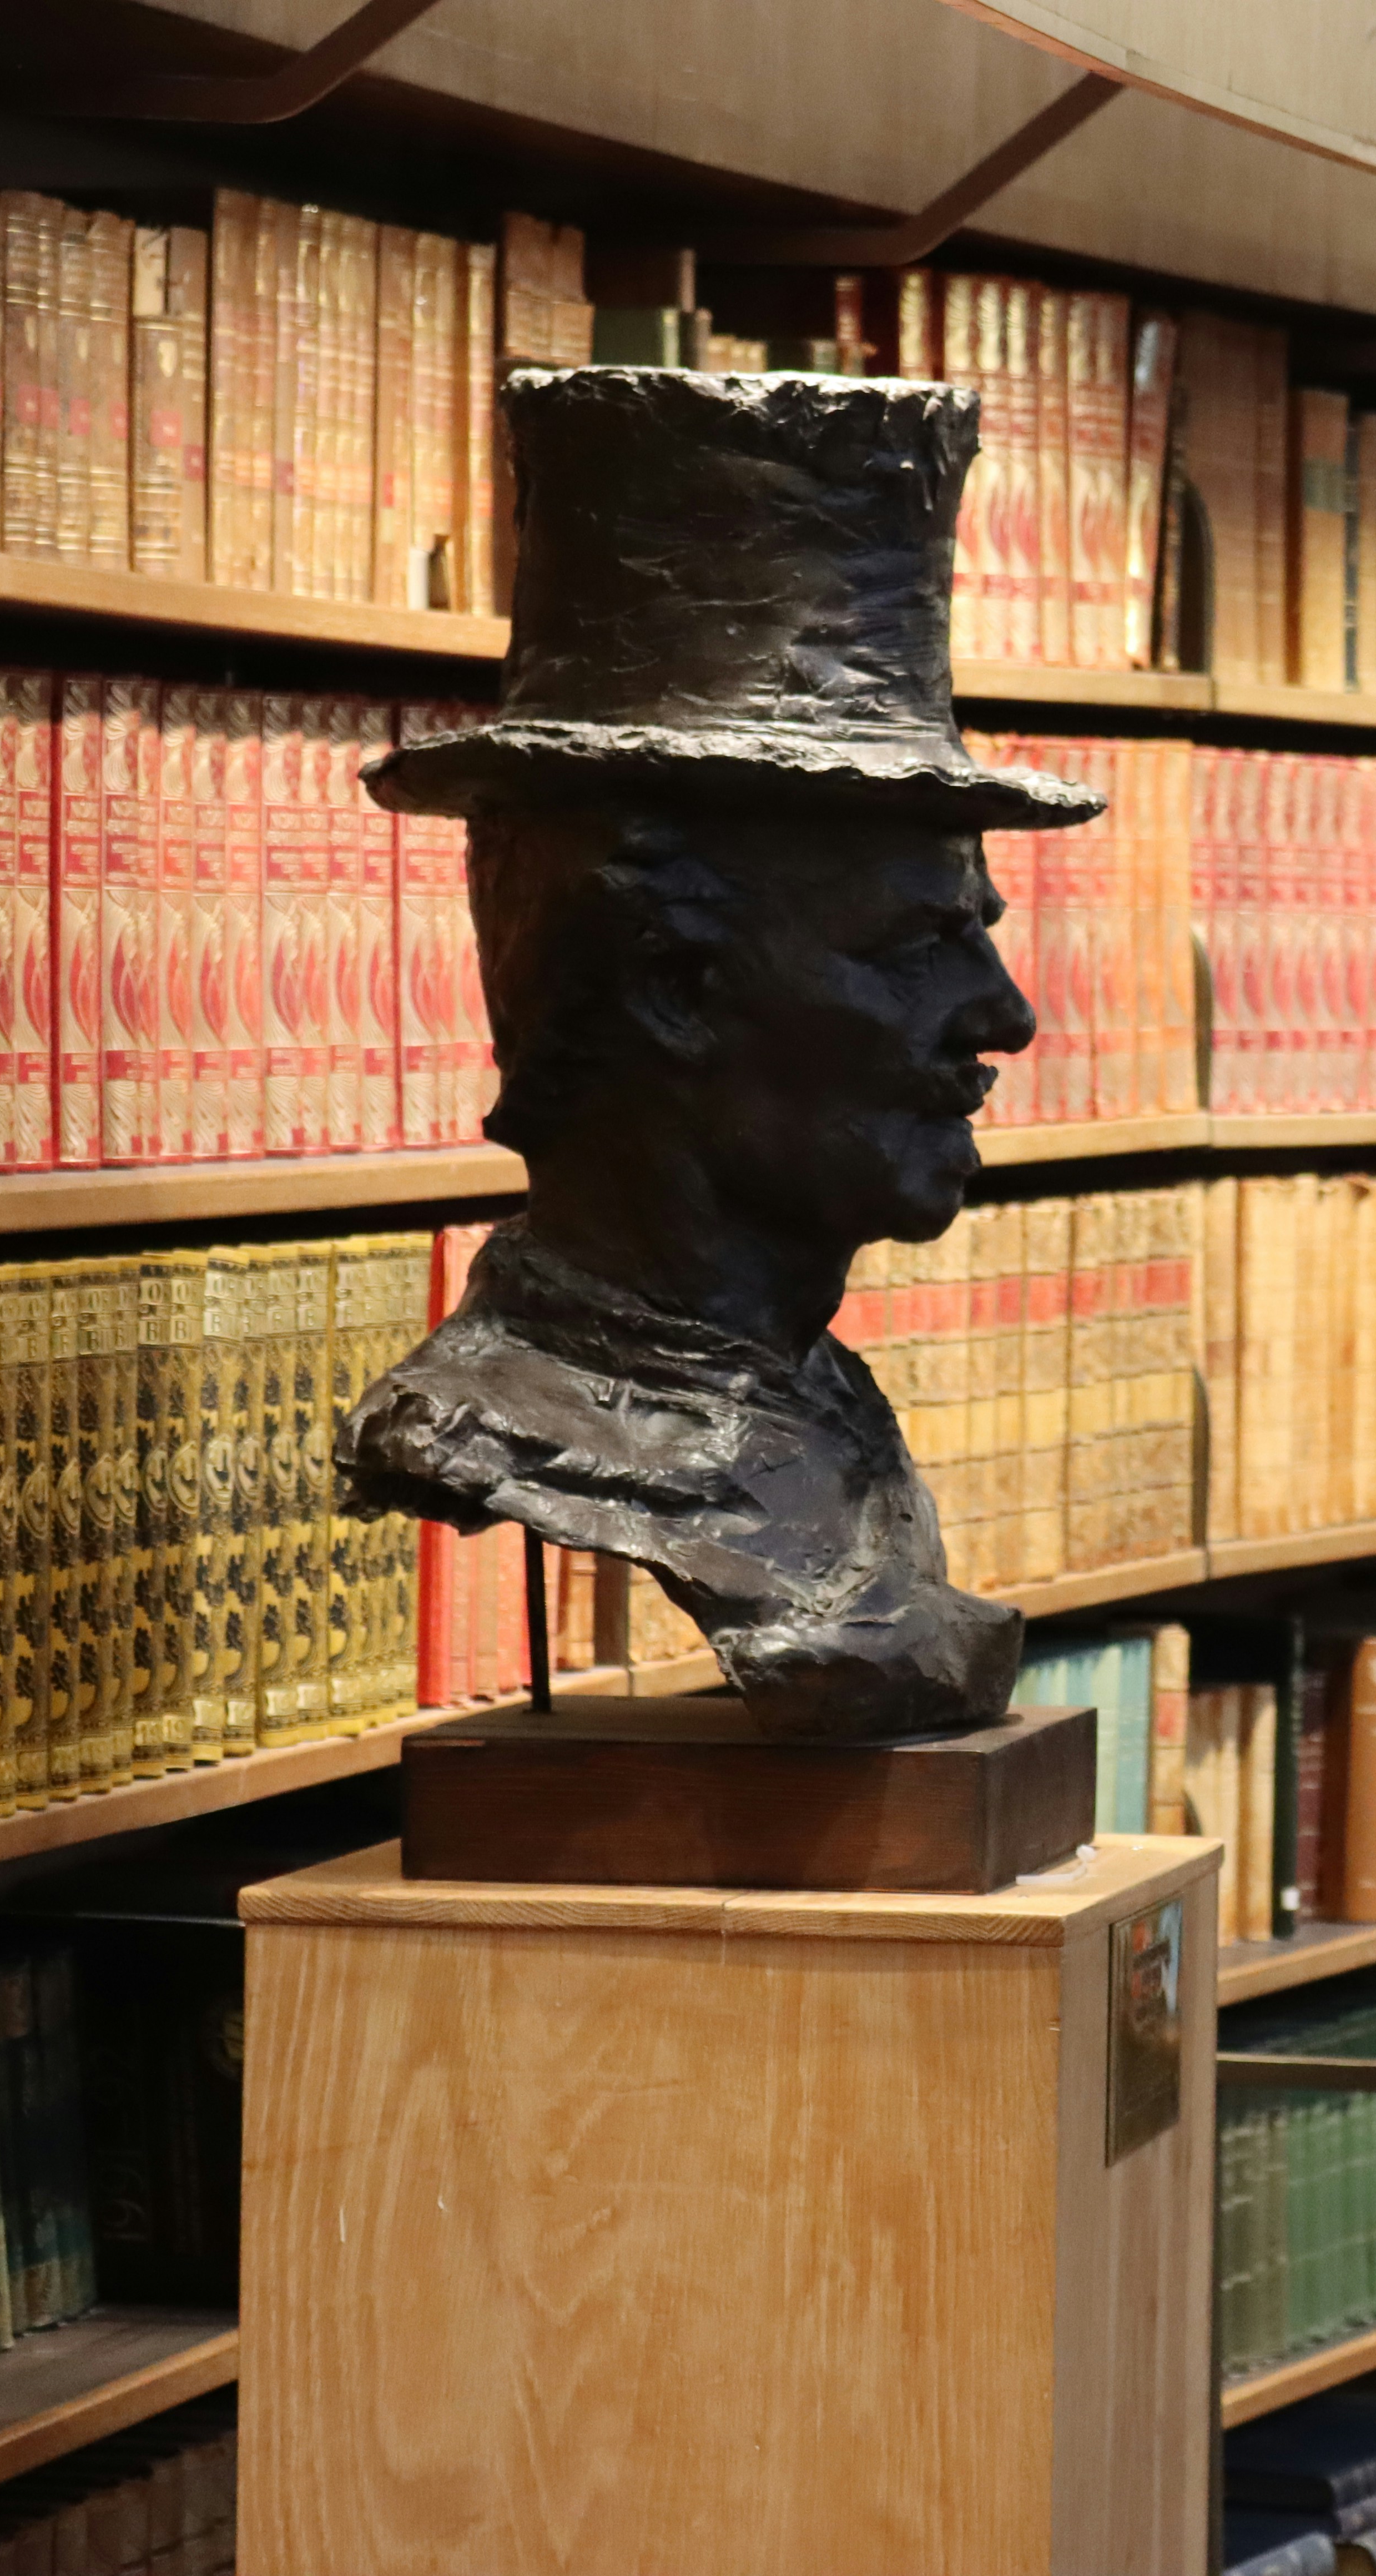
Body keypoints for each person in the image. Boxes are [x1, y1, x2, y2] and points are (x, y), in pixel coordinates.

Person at [340, 365, 1095, 1742]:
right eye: (914, 949)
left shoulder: (825, 1426)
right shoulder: (503, 1427)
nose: (1003, 1014)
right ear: (674, 982)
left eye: (978, 935)